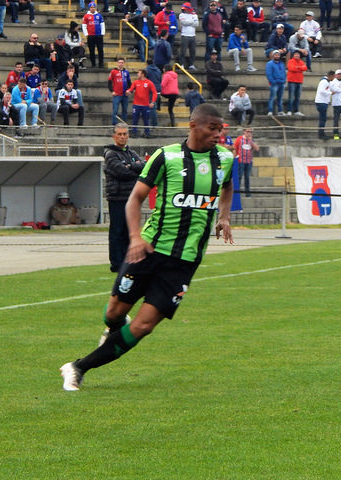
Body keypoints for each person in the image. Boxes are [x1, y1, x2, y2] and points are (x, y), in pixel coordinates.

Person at [59, 104, 235, 392]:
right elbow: (134, 199)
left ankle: (78, 367)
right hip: (149, 249)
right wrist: (136, 237)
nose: (218, 134)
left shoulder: (225, 159)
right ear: (193, 126)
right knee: (115, 312)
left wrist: (224, 216)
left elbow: (226, 186)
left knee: (142, 326)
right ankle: (113, 327)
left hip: (185, 260)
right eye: (211, 128)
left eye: (220, 129)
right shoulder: (166, 157)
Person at [103, 123, 145, 273]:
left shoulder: (130, 152)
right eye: (119, 134)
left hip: (131, 197)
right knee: (117, 231)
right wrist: (134, 167)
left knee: (130, 231)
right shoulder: (110, 154)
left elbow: (144, 166)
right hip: (117, 197)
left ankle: (129, 260)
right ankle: (116, 263)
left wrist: (131, 166)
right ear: (114, 136)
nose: (122, 136)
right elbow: (122, 172)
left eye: (125, 134)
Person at [127, 68, 158, 137]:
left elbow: (154, 93)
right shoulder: (135, 82)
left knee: (146, 120)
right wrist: (128, 91)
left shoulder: (149, 83)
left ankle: (147, 133)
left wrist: (152, 102)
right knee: (135, 119)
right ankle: (134, 132)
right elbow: (131, 89)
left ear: (143, 74)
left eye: (139, 73)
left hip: (145, 105)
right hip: (136, 104)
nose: (137, 74)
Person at [234, 126, 259, 196]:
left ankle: (247, 192)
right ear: (244, 132)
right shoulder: (239, 139)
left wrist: (251, 141)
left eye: (250, 132)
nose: (249, 133)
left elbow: (257, 148)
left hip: (248, 161)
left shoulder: (252, 140)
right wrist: (235, 158)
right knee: (239, 176)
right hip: (240, 160)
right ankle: (237, 192)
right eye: (248, 131)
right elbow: (235, 148)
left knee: (247, 177)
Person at [108, 57, 132, 125]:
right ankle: (114, 124)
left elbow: (129, 83)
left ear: (124, 63)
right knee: (115, 110)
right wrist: (112, 91)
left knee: (125, 110)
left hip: (125, 95)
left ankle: (124, 124)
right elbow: (109, 82)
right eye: (119, 62)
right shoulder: (113, 71)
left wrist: (129, 91)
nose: (121, 64)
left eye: (122, 63)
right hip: (117, 94)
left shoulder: (126, 72)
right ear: (117, 63)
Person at [82, 2, 105, 68]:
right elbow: (84, 25)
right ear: (89, 8)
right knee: (91, 50)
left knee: (100, 50)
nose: (93, 8)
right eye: (91, 7)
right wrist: (86, 34)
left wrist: (102, 33)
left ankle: (101, 63)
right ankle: (93, 64)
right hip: (90, 35)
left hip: (99, 35)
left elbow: (102, 24)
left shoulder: (99, 15)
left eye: (94, 7)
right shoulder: (86, 16)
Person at [286, 49, 307, 116]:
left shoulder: (301, 62)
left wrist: (297, 67)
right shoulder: (290, 61)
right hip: (292, 81)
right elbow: (291, 68)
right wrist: (299, 68)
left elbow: (305, 68)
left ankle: (296, 110)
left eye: (298, 54)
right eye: (295, 54)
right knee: (291, 97)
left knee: (297, 97)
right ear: (293, 55)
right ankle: (289, 110)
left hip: (299, 81)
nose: (297, 55)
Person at [315, 69, 334, 139]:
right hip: (321, 102)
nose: (334, 78)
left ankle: (321, 133)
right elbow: (322, 91)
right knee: (322, 119)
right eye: (333, 77)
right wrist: (331, 93)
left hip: (323, 102)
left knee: (323, 118)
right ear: (331, 76)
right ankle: (321, 134)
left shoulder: (326, 82)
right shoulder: (324, 82)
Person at [266, 49, 286, 115]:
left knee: (280, 98)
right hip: (274, 84)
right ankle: (270, 111)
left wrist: (284, 80)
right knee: (272, 97)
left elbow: (284, 72)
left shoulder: (282, 63)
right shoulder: (269, 64)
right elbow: (269, 74)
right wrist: (273, 81)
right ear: (273, 55)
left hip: (281, 83)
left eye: (278, 55)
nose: (277, 56)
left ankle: (280, 111)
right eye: (275, 55)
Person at [179, 2, 198, 70]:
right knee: (183, 51)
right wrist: (192, 22)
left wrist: (188, 22)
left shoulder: (194, 15)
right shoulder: (181, 15)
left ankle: (191, 64)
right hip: (184, 35)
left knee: (193, 51)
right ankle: (181, 64)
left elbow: (196, 24)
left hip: (193, 35)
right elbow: (183, 22)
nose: (184, 10)